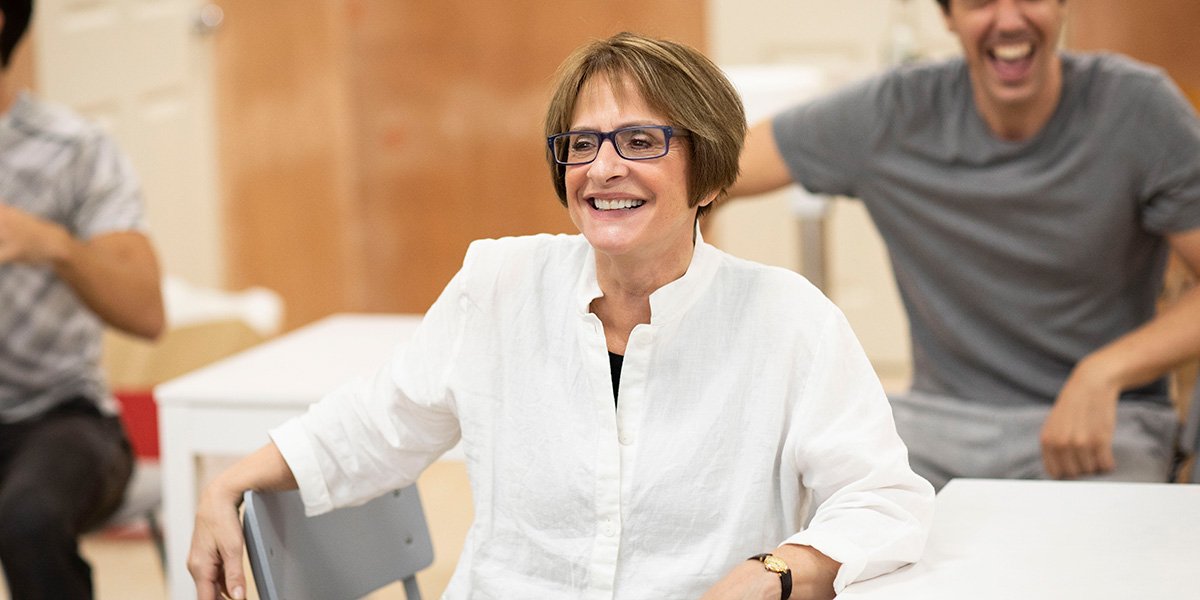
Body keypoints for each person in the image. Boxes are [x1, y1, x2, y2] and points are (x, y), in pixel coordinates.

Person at [188, 32, 933, 600]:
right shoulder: (501, 282)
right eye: (583, 144)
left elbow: (883, 499)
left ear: (707, 174)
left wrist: (777, 570)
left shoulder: (787, 320)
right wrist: (226, 486)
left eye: (641, 141)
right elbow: (378, 423)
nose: (604, 168)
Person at [732, 0, 1200, 490]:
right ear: (949, 16)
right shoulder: (893, 113)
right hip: (933, 428)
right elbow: (714, 173)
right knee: (790, 510)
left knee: (1097, 559)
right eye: (981, 1)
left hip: (1103, 427)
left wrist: (1106, 371)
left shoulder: (1138, 108)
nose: (1009, 18)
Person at [0, 0, 166, 598]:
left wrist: (51, 244)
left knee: (27, 521)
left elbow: (148, 312)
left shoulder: (75, 149)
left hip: (62, 417)